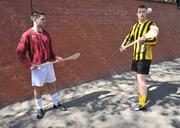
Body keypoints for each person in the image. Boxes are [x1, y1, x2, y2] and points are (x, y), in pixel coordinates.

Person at [16, 11, 67, 119]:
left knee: (52, 85)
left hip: (49, 64)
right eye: (42, 19)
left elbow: (50, 50)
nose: (45, 21)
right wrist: (29, 65)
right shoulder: (27, 34)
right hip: (37, 67)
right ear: (34, 19)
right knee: (37, 89)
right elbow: (20, 53)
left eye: (45, 19)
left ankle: (56, 104)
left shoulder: (46, 34)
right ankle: (39, 109)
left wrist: (56, 58)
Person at [119, 5, 158, 111]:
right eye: (139, 12)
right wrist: (123, 45)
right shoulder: (135, 26)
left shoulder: (151, 25)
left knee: (141, 79)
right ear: (137, 14)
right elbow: (129, 36)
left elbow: (154, 41)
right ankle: (140, 97)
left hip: (145, 57)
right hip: (135, 56)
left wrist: (144, 40)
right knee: (137, 78)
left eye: (143, 12)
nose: (141, 14)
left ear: (146, 13)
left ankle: (142, 104)